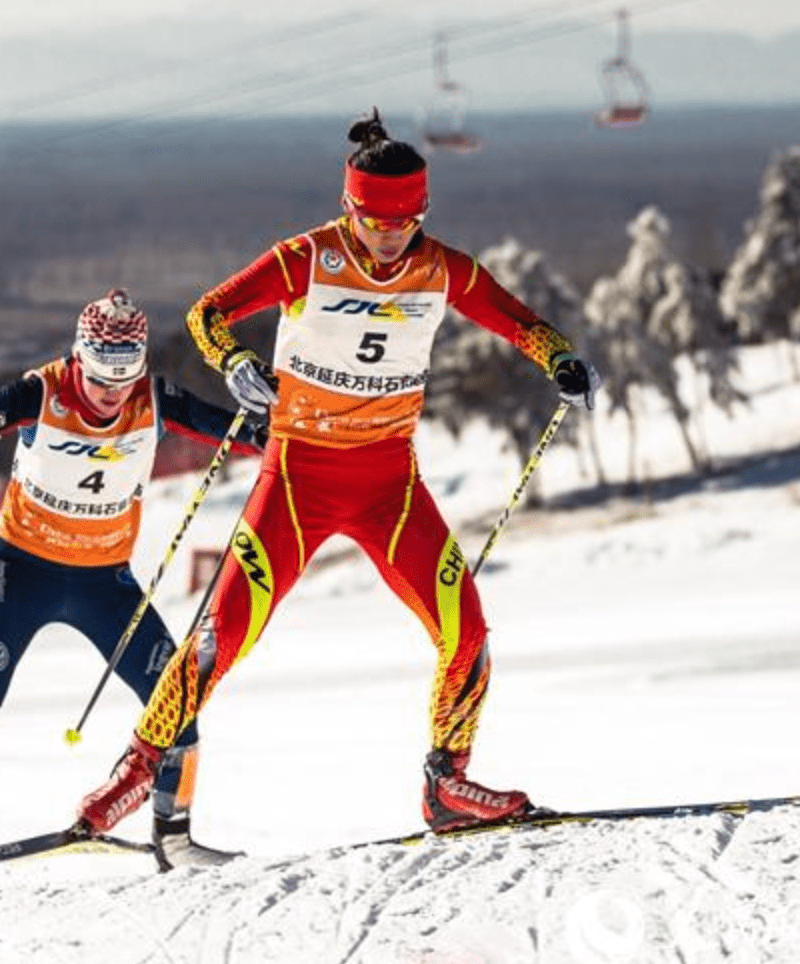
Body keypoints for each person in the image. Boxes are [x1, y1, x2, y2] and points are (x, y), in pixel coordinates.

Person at [75, 109, 602, 840]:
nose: (390, 240)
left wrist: (560, 360)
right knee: (214, 641)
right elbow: (208, 315)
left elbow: (518, 319)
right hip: (297, 482)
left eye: (406, 223)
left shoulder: (442, 268)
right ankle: (137, 768)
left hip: (390, 485)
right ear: (347, 206)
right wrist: (234, 362)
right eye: (374, 223)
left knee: (468, 632)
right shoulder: (307, 259)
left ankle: (446, 784)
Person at [0, 289, 265, 880]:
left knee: (178, 695)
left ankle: (174, 837)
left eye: (124, 379)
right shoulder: (41, 391)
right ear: (79, 359)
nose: (111, 394)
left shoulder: (153, 398)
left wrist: (281, 423)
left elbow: (239, 430)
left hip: (106, 582)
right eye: (101, 378)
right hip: (22, 573)